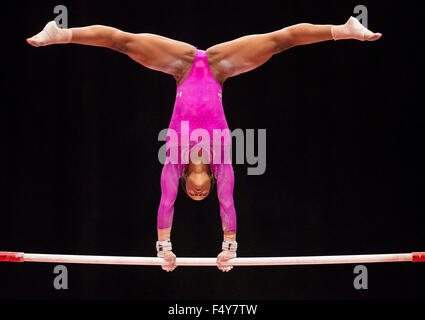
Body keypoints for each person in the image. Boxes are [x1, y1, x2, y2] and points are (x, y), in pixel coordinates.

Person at [27, 16, 382, 272]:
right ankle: (344, 29)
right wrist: (230, 248)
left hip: (181, 66)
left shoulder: (174, 163)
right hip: (219, 66)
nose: (199, 195)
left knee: (124, 41)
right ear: (210, 182)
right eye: (204, 195)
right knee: (279, 40)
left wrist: (163, 248)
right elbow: (228, 205)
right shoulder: (223, 164)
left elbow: (166, 202)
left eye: (192, 196)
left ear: (187, 184)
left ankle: (61, 33)